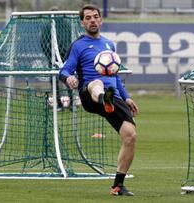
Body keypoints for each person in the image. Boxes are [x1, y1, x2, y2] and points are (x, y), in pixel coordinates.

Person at [59, 4, 139, 196]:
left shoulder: (109, 45)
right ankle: (104, 99)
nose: (93, 20)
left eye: (95, 17)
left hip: (114, 96)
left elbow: (116, 76)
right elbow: (64, 70)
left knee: (130, 136)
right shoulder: (78, 45)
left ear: (101, 20)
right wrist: (68, 78)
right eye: (88, 18)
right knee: (97, 82)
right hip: (90, 94)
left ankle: (117, 186)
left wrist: (126, 98)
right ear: (82, 22)